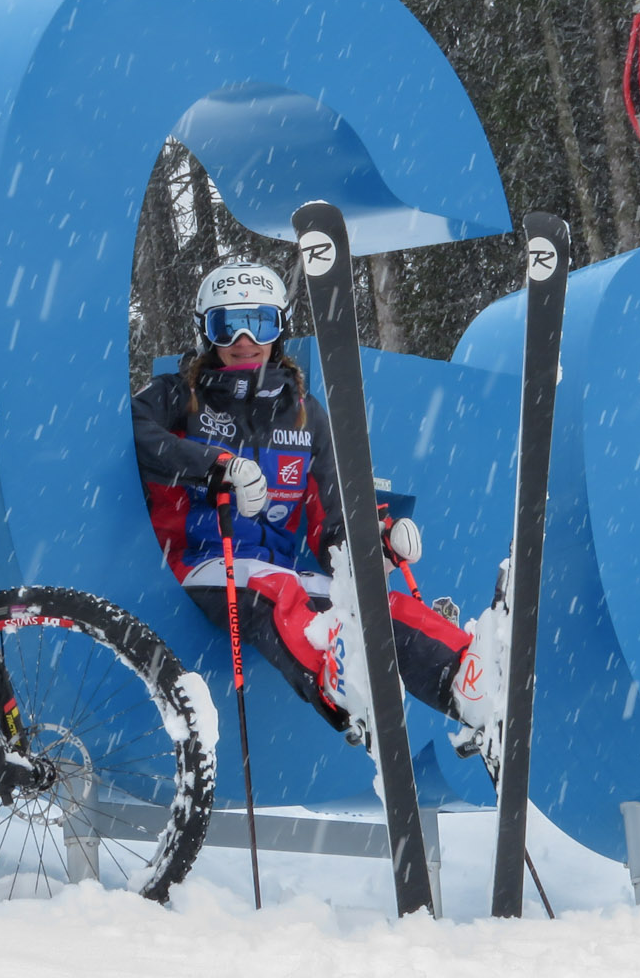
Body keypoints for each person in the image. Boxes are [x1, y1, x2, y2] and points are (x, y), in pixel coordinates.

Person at [131, 260, 506, 773]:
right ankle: (339, 677)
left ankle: (465, 677)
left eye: (259, 323)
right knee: (279, 591)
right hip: (200, 561)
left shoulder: (304, 413)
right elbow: (133, 431)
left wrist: (373, 541)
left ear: (280, 329)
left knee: (369, 600)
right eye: (226, 325)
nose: (244, 339)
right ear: (205, 333)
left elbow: (332, 515)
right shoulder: (179, 397)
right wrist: (214, 466)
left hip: (278, 568)